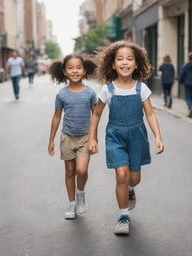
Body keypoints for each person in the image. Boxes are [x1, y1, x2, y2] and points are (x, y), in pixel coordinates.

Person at [87, 41, 164, 235]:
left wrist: (158, 137)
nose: (125, 62)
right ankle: (123, 216)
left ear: (136, 64)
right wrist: (92, 138)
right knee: (121, 175)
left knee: (134, 179)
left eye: (129, 59)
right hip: (115, 136)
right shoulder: (107, 89)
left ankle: (130, 189)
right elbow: (96, 115)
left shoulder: (141, 89)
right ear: (113, 64)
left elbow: (151, 115)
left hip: (137, 136)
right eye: (120, 59)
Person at [48, 54, 97, 220]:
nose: (75, 71)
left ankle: (80, 193)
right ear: (64, 71)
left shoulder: (90, 92)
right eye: (70, 68)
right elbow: (56, 117)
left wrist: (93, 138)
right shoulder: (62, 94)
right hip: (67, 137)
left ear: (84, 70)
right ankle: (72, 204)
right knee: (70, 171)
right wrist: (51, 140)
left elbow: (95, 116)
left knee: (81, 170)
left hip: (85, 137)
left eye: (78, 67)